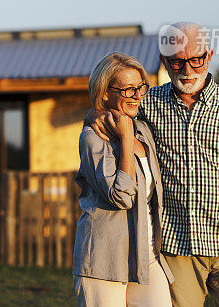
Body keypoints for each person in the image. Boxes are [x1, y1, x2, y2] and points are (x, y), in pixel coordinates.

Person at [85, 22, 219, 307]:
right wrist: (94, 113)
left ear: (209, 55)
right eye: (177, 62)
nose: (188, 70)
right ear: (164, 62)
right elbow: (117, 101)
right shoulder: (148, 103)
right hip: (177, 250)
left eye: (196, 59)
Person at [73, 52, 174, 307]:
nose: (138, 95)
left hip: (146, 258)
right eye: (129, 89)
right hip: (103, 262)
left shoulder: (144, 130)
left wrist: (130, 132)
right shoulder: (92, 138)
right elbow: (121, 196)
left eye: (141, 87)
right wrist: (126, 139)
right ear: (105, 93)